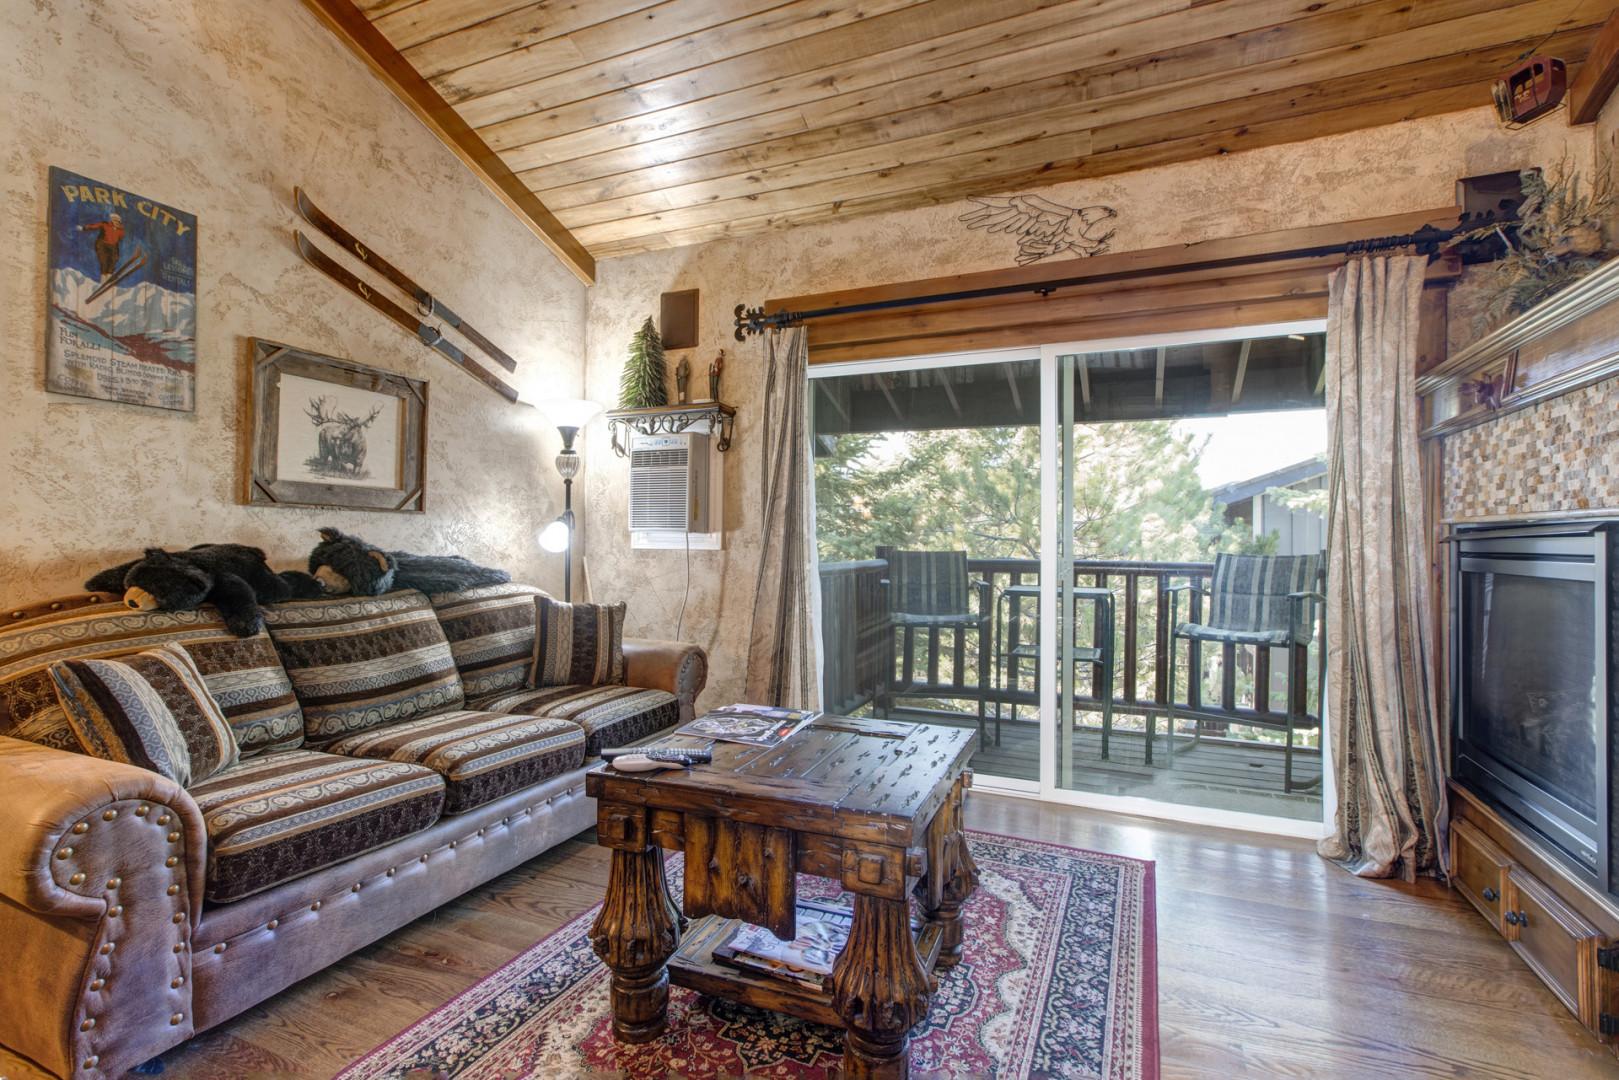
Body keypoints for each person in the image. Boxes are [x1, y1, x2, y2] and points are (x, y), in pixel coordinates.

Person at [82, 211, 125, 279]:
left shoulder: (121, 230)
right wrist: (85, 227)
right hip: (102, 244)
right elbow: (95, 226)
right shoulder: (105, 225)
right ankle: (103, 278)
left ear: (119, 222)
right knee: (104, 261)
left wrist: (115, 240)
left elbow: (120, 238)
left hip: (113, 246)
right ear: (112, 220)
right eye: (114, 221)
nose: (116, 222)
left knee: (114, 259)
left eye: (117, 221)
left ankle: (109, 275)